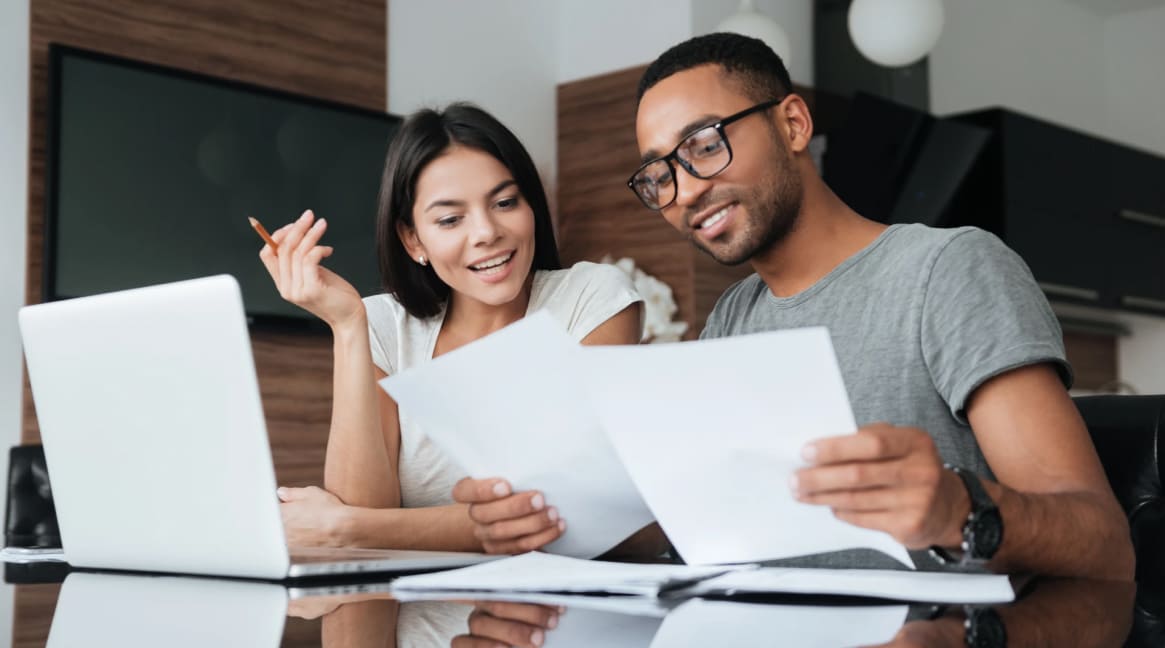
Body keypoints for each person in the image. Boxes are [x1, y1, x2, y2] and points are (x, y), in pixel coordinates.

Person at [456, 33, 1134, 580]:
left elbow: (1101, 541)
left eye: (702, 145)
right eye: (658, 175)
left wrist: (959, 508)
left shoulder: (947, 269)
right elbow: (704, 532)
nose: (684, 191)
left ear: (791, 122)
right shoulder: (731, 315)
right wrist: (548, 520)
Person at [258, 103, 645, 554]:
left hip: (552, 618)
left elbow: (565, 513)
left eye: (505, 203)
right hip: (408, 620)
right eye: (450, 219)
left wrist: (347, 528)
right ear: (412, 239)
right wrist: (346, 327)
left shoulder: (591, 299)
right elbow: (362, 509)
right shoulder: (384, 325)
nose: (486, 232)